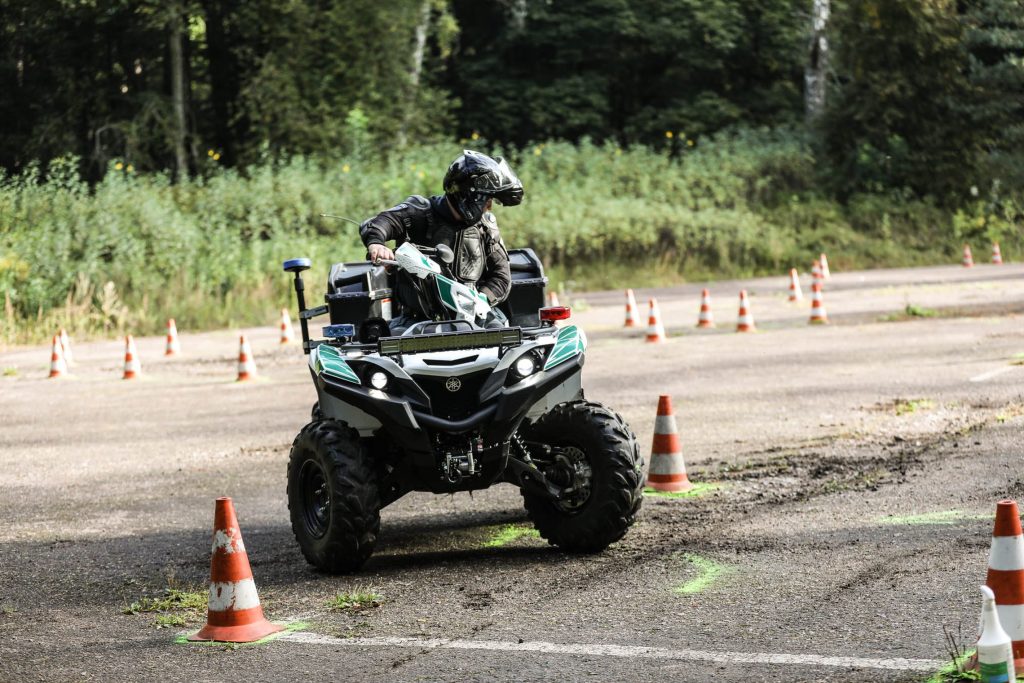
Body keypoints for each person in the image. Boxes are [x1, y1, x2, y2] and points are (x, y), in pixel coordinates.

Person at [359, 150, 524, 332]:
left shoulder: (486, 226)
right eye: (487, 199)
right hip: (416, 321)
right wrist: (376, 243)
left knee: (501, 336)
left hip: (476, 317)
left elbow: (501, 276)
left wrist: (481, 300)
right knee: (388, 342)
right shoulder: (420, 212)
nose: (489, 206)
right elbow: (383, 222)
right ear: (469, 196)